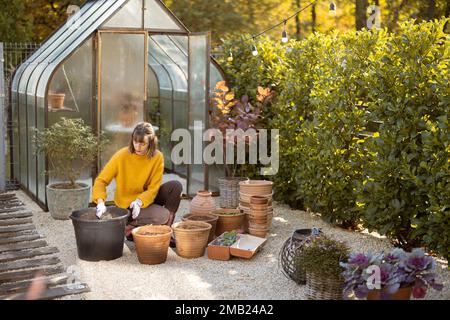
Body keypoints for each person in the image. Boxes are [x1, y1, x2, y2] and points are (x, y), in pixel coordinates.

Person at [92, 122, 182, 243]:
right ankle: (130, 227)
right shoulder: (122, 156)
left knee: (175, 186)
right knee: (162, 215)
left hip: (144, 199)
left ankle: (166, 231)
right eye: (135, 142)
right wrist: (100, 202)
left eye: (142, 143)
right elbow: (101, 181)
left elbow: (153, 188)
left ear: (150, 143)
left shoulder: (157, 157)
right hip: (127, 204)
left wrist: (139, 201)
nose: (137, 146)